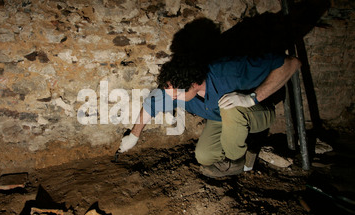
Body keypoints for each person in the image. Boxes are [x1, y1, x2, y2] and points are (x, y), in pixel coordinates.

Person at [117, 52, 301, 178]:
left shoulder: (230, 71)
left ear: (196, 83)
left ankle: (237, 162)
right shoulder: (179, 88)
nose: (173, 100)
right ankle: (248, 148)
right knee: (204, 156)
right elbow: (152, 102)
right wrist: (134, 135)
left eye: (177, 95)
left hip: (255, 111)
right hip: (221, 117)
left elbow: (291, 63)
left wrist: (252, 98)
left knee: (231, 109)